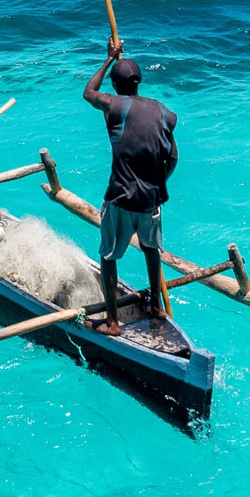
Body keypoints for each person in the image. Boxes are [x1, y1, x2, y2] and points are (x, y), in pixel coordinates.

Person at [80, 38, 178, 335]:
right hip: (151, 201)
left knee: (108, 257)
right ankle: (158, 307)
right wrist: (157, 185)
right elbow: (172, 158)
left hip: (120, 199)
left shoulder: (115, 106)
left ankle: (112, 323)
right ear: (139, 82)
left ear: (116, 84)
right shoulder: (163, 112)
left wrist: (109, 58)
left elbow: (88, 92)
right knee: (151, 250)